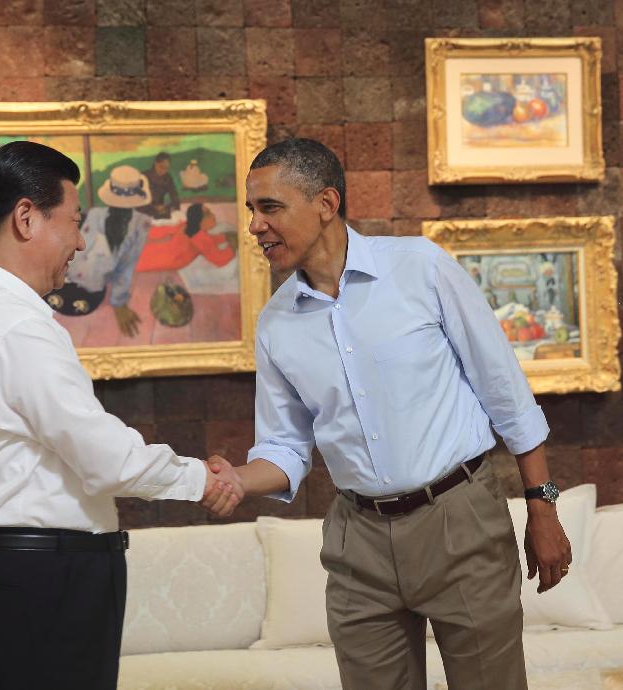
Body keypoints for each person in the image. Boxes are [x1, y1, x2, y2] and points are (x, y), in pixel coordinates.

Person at [204, 138, 571, 690]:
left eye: (269, 207)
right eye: (252, 210)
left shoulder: (419, 267)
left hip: (460, 521)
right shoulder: (276, 324)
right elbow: (283, 449)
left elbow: (505, 393)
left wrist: (542, 508)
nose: (255, 225)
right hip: (358, 542)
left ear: (326, 203)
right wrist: (237, 478)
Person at [0, 141, 242, 690]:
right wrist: (198, 480)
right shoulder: (16, 324)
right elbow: (104, 458)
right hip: (35, 588)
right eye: (72, 221)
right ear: (25, 218)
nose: (81, 241)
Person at [47, 164, 152, 336]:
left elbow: (126, 267)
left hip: (92, 289)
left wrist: (119, 302)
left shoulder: (140, 225)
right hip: (60, 279)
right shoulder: (94, 215)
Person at [135, 203, 237, 272]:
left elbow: (210, 240)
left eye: (210, 212)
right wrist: (232, 247)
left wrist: (224, 237)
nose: (213, 216)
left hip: (163, 250)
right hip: (170, 258)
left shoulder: (188, 227)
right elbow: (219, 259)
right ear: (199, 220)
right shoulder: (199, 237)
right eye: (208, 214)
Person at [139, 151, 180, 219]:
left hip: (160, 209)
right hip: (144, 208)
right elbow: (137, 199)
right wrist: (152, 207)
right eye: (161, 166)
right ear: (155, 163)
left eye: (166, 168)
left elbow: (174, 196)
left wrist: (167, 207)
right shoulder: (144, 176)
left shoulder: (167, 178)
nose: (163, 170)